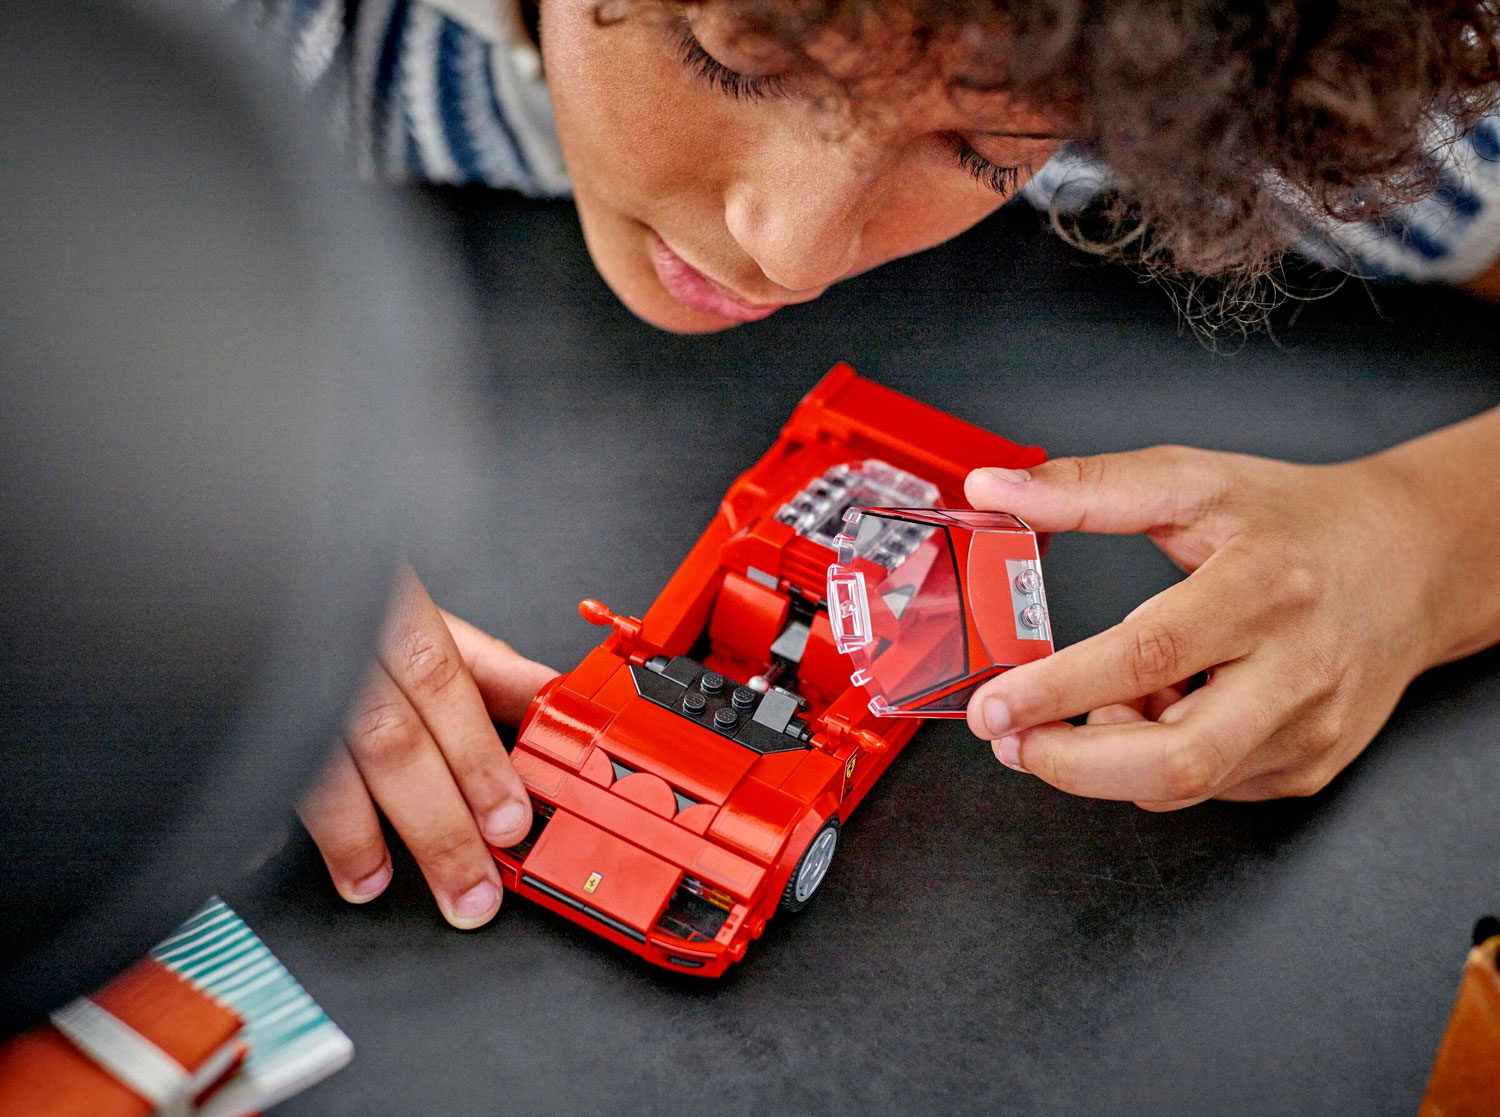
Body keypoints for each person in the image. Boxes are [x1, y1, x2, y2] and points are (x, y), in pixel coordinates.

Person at [246, 0, 1500, 927]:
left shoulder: (1244, 83)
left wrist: (1426, 545)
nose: (788, 251)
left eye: (984, 147)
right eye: (733, 50)